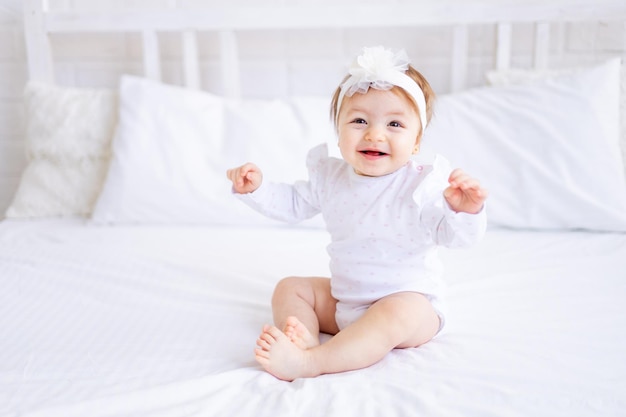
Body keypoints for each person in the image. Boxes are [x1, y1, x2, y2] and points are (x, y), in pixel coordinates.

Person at [226, 46, 488, 381]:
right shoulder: (331, 178)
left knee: (396, 312)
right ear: (339, 130)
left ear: (417, 141)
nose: (374, 133)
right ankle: (302, 338)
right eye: (359, 120)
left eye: (394, 123)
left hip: (410, 306)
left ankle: (310, 362)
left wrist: (465, 211)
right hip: (345, 302)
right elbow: (293, 203)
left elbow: (453, 236)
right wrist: (257, 189)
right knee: (290, 288)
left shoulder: (421, 185)